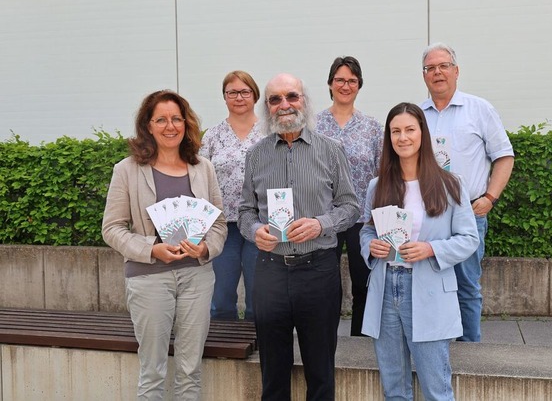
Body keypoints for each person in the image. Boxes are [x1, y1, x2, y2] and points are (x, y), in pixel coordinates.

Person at [238, 73, 360, 400]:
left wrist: (321, 224)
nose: (284, 105)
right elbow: (245, 211)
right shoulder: (256, 155)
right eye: (275, 99)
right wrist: (254, 231)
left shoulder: (331, 151)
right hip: (270, 271)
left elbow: (351, 206)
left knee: (320, 374)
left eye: (291, 96)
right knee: (273, 375)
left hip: (318, 271)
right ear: (267, 107)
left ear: (304, 100)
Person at [102, 90, 227, 400]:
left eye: (176, 118)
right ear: (148, 125)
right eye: (161, 120)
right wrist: (150, 249)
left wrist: (206, 248)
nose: (170, 126)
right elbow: (112, 229)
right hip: (148, 278)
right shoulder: (127, 170)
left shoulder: (203, 168)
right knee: (153, 370)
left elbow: (219, 224)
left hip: (197, 277)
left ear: (186, 123)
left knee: (190, 370)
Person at [360, 102, 479, 401]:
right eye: (395, 131)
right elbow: (367, 230)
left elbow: (468, 239)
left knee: (437, 389)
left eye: (410, 129)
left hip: (428, 290)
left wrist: (430, 249)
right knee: (394, 390)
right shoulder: (378, 185)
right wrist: (370, 246)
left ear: (422, 134)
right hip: (386, 288)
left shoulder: (451, 184)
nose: (403, 137)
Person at [420, 42, 515, 342]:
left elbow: (504, 156)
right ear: (424, 76)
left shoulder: (479, 109)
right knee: (429, 285)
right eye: (430, 68)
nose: (437, 72)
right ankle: (436, 346)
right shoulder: (416, 115)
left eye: (443, 66)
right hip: (427, 215)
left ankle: (471, 353)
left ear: (456, 71)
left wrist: (490, 198)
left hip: (468, 214)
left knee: (466, 286)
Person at [316, 56, 383, 337]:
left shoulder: (371, 127)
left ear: (359, 85)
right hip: (322, 218)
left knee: (363, 283)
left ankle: (361, 341)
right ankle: (322, 339)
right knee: (324, 285)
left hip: (360, 218)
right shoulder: (312, 124)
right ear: (330, 84)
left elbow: (381, 173)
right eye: (340, 80)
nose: (345, 85)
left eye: (352, 80)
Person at [200, 70, 264, 321]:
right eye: (232, 92)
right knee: (221, 294)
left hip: (260, 224)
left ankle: (258, 347)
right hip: (222, 226)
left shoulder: (269, 133)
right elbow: (200, 177)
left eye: (245, 91)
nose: (239, 97)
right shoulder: (213, 136)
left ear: (255, 95)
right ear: (224, 97)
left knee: (258, 295)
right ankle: (224, 348)